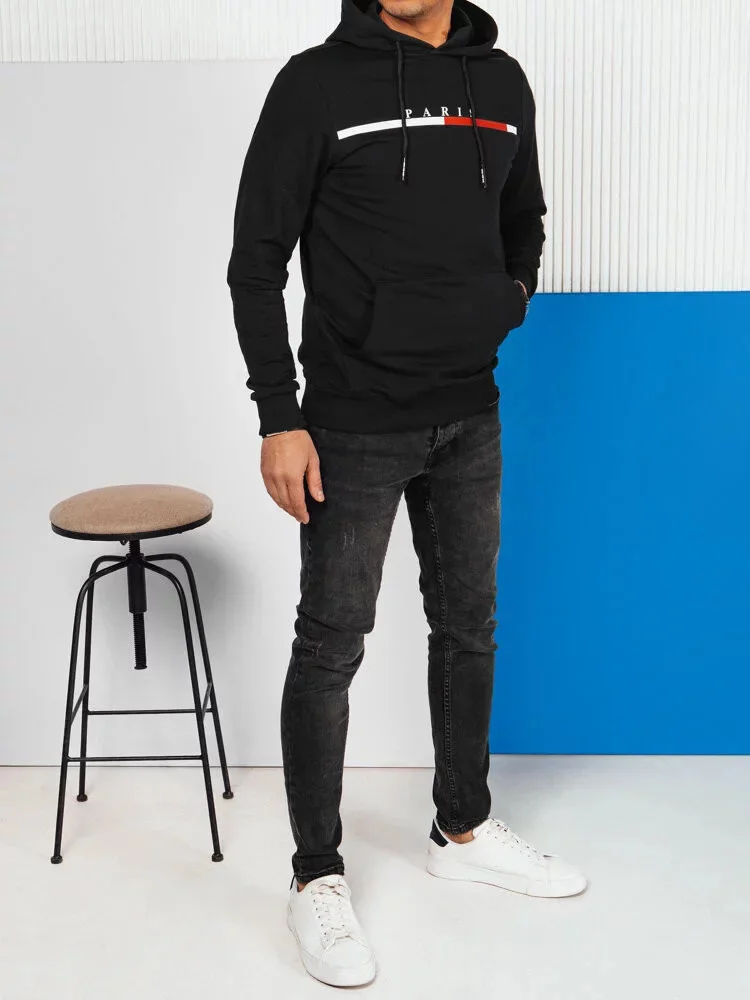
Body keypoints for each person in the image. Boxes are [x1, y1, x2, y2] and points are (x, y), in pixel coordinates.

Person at [227, 0, 586, 987]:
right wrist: (279, 416)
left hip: (472, 410)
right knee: (331, 642)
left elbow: (525, 218)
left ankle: (461, 828)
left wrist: (509, 300)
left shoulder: (500, 84)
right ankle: (315, 876)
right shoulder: (315, 83)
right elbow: (256, 261)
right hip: (350, 422)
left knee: (469, 625)